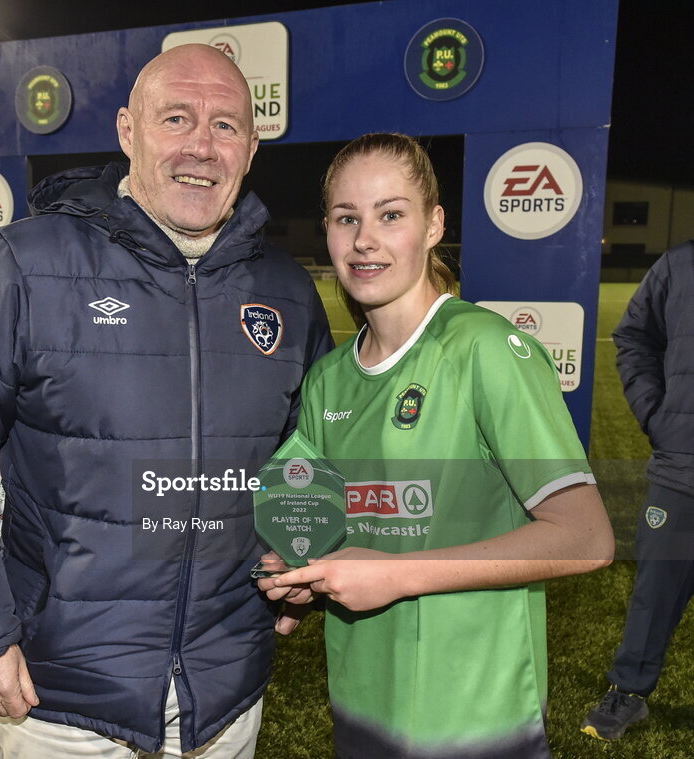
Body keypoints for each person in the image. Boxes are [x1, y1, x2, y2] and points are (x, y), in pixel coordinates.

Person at [0, 43, 332, 758]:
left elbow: (307, 453)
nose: (201, 145)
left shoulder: (286, 292)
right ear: (128, 131)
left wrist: (299, 548)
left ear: (251, 148)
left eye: (225, 126)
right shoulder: (22, 265)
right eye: (177, 118)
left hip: (224, 700)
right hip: (62, 700)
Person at [258, 133, 614, 759]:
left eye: (390, 215)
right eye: (347, 218)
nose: (365, 239)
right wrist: (297, 573)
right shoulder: (329, 379)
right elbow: (314, 522)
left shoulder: (484, 349)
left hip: (477, 713)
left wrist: (395, 575)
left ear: (433, 225)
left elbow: (586, 537)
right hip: (363, 705)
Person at [580, 240, 694, 741]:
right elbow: (633, 337)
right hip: (682, 466)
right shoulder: (680, 263)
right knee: (655, 590)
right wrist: (658, 416)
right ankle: (628, 691)